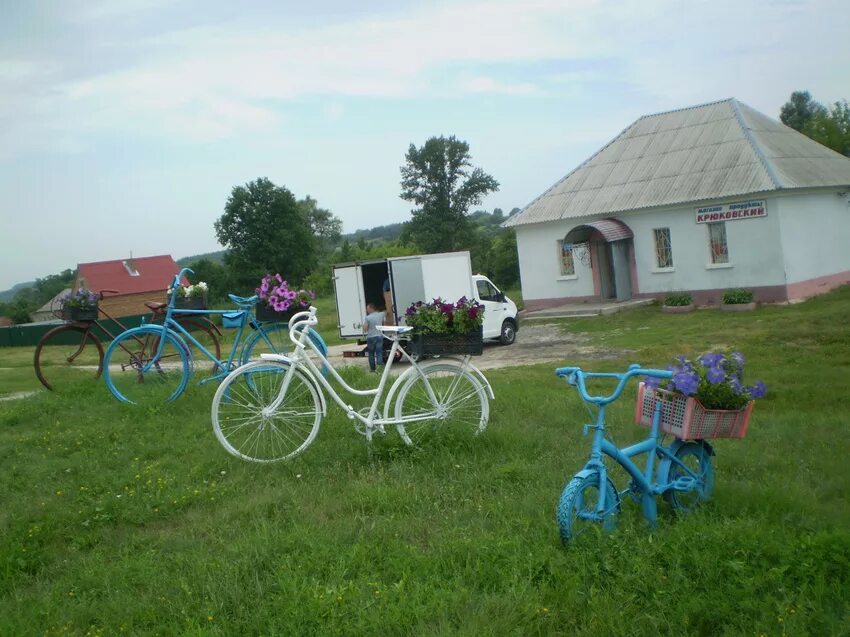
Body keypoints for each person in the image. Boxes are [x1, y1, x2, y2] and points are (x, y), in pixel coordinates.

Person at [362, 302, 385, 372]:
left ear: (371, 308)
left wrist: (363, 326)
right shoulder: (381, 314)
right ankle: (380, 368)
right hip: (379, 336)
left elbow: (365, 329)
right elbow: (386, 312)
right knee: (379, 352)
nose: (367, 311)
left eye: (368, 309)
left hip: (371, 337)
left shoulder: (368, 318)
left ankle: (372, 369)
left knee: (371, 354)